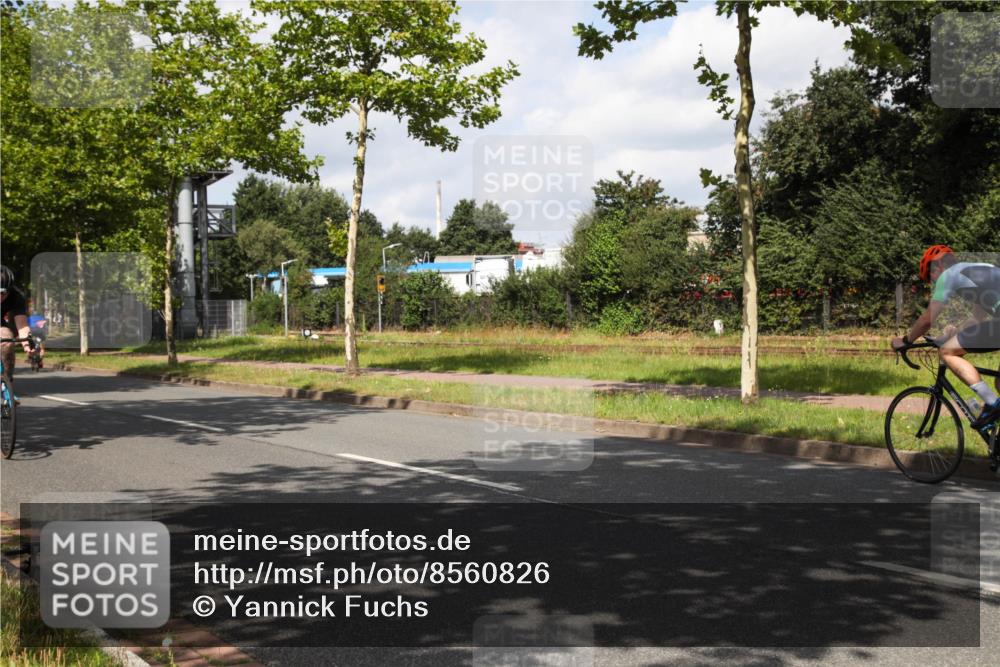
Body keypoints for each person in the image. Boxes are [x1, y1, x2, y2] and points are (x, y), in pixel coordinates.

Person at [892, 246, 1000, 429]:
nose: (933, 280)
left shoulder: (948, 275)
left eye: (930, 273)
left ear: (940, 265)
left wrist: (906, 341)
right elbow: (977, 319)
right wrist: (954, 332)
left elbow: (927, 319)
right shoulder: (980, 269)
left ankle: (992, 404)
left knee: (947, 352)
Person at [0, 265, 33, 377]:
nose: (0, 297)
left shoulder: (17, 296)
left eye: (3, 293)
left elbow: (22, 325)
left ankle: (5, 380)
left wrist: (27, 344)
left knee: (7, 338)